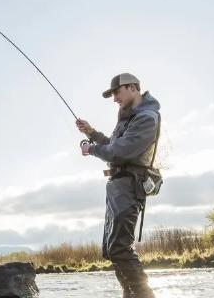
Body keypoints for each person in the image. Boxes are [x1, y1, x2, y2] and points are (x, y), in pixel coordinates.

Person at [76, 73, 160, 298]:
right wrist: (91, 133)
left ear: (132, 87)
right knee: (113, 249)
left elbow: (120, 152)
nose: (114, 99)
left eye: (116, 92)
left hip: (129, 187)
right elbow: (114, 144)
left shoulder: (146, 117)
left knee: (120, 248)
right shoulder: (128, 117)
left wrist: (90, 149)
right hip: (117, 189)